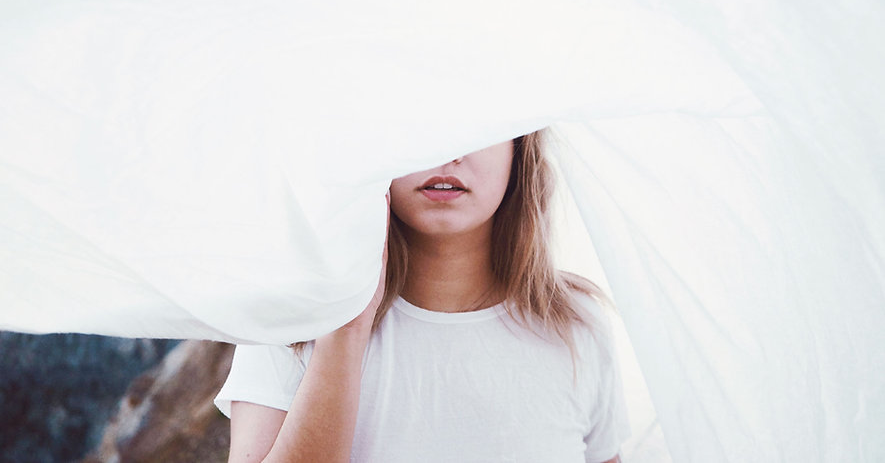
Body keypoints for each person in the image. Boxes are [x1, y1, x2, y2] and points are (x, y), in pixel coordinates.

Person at [215, 130, 630, 462]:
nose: (448, 150)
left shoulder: (577, 324)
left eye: (478, 123)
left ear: (519, 148)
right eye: (421, 121)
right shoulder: (291, 319)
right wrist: (344, 333)